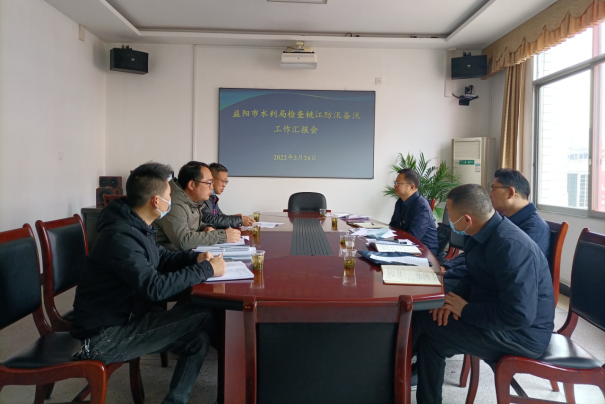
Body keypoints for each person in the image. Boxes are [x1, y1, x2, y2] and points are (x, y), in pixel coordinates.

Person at [71, 162, 226, 404]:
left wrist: (195, 258)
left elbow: (161, 257)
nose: (171, 200)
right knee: (204, 314)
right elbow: (154, 288)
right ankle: (238, 377)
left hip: (127, 319)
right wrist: (206, 269)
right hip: (104, 337)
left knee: (197, 340)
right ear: (156, 201)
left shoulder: (136, 226)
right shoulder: (120, 236)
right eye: (169, 195)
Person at [412, 184, 555, 404]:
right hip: (497, 316)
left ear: (467, 219)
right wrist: (451, 302)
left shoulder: (510, 246)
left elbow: (519, 314)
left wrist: (465, 310)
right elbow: (473, 274)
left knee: (420, 318)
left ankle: (381, 379)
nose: (449, 221)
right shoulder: (481, 234)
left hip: (522, 335)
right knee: (431, 340)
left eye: (451, 216)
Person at [441, 169, 550, 288]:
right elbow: (475, 254)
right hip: (482, 279)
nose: (489, 195)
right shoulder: (500, 221)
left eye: (493, 189)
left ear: (511, 192)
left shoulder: (534, 229)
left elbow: (512, 274)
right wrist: (447, 266)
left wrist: (449, 273)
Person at [155, 161, 241, 250]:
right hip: (169, 255)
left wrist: (206, 227)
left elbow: (194, 225)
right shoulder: (173, 204)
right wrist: (223, 236)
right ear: (191, 185)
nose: (211, 187)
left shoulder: (192, 201)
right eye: (209, 183)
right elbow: (184, 241)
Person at [389, 168, 439, 255]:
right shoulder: (400, 202)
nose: (395, 186)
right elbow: (393, 226)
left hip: (423, 249)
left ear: (411, 187)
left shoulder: (421, 206)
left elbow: (414, 237)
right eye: (395, 183)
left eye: (398, 183)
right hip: (405, 245)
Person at [201, 162, 255, 229]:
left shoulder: (213, 197)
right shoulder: (202, 196)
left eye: (226, 182)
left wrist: (233, 218)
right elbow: (209, 220)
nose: (224, 185)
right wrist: (238, 220)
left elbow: (219, 216)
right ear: (211, 178)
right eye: (223, 181)